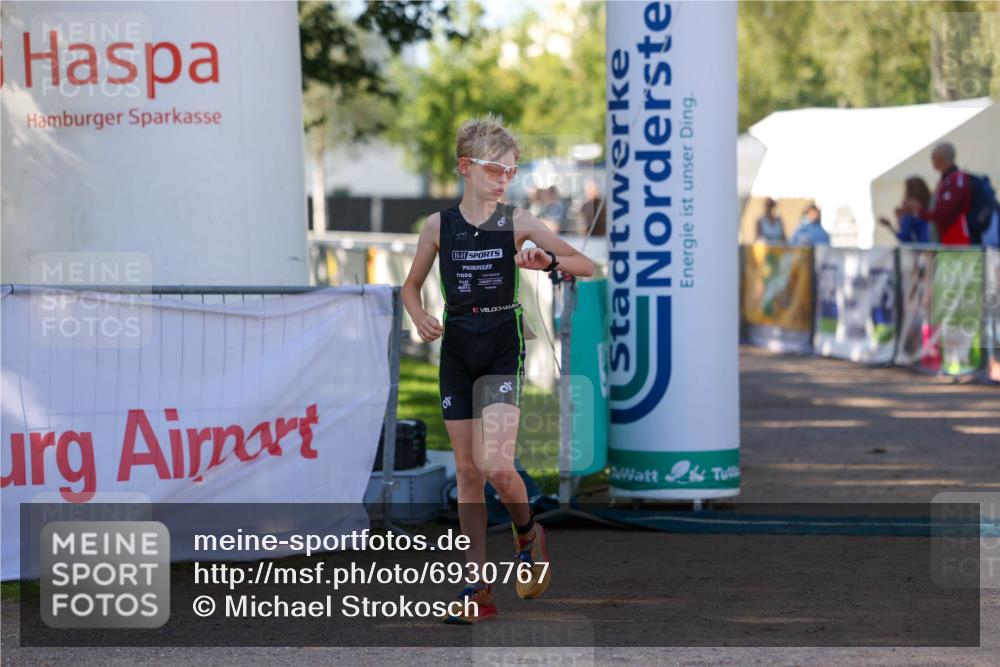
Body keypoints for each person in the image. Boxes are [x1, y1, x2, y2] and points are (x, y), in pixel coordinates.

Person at [402, 113, 595, 624]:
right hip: (457, 350)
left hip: (502, 347)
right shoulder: (437, 226)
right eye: (495, 169)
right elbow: (410, 286)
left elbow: (586, 264)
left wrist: (549, 264)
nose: (505, 179)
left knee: (497, 469)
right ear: (465, 167)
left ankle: (528, 535)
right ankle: (478, 591)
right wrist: (419, 315)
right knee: (467, 473)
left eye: (511, 170)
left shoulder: (518, 221)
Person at [913, 142, 971, 246]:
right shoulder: (946, 180)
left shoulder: (955, 180)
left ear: (941, 157)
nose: (932, 161)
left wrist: (918, 210)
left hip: (954, 241)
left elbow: (943, 214)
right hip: (946, 240)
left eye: (933, 157)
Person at [878, 177, 932, 244]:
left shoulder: (910, 211)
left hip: (926, 247)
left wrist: (894, 224)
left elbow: (904, 238)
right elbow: (905, 237)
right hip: (933, 246)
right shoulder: (931, 206)